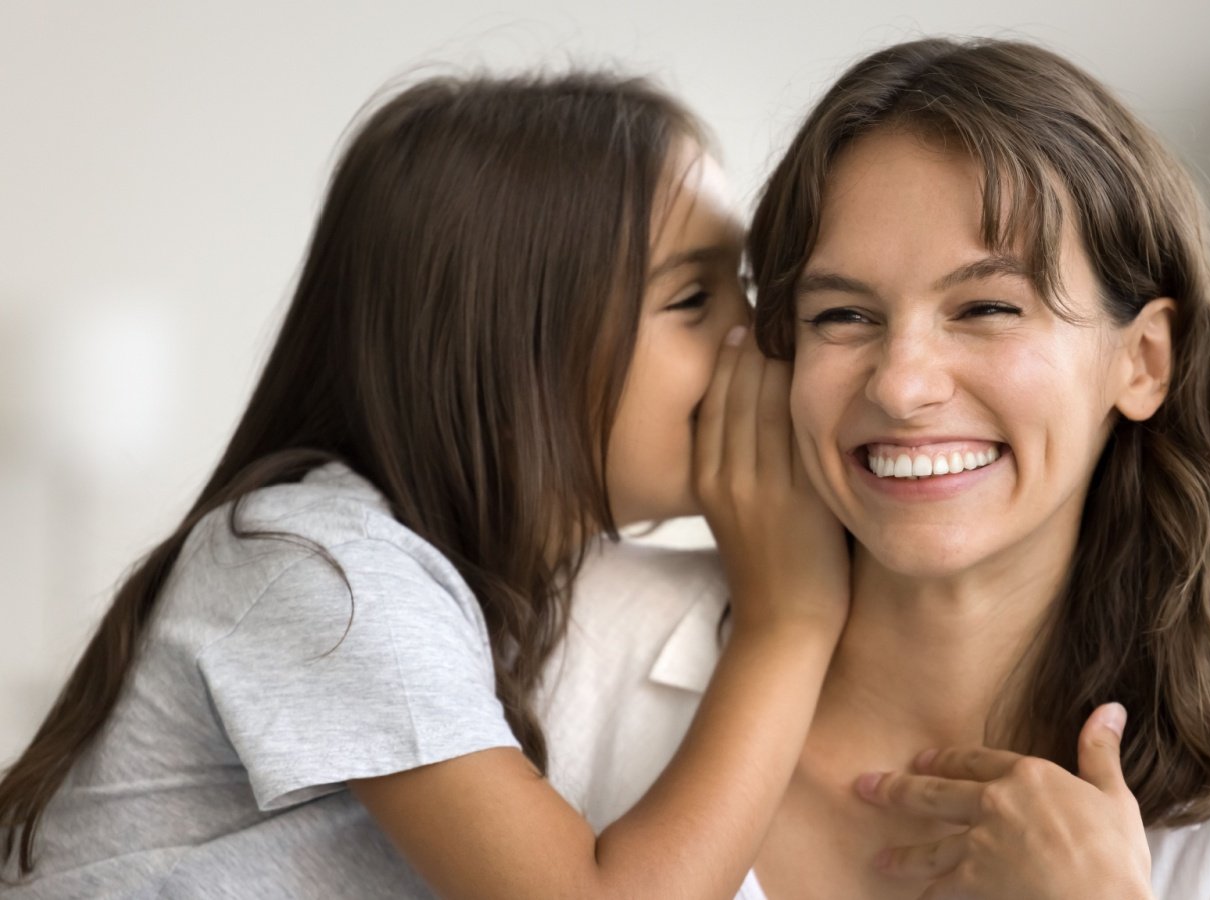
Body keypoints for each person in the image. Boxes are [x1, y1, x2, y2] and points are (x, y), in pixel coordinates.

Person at [541, 38, 1210, 899]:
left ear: (1145, 361)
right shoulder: (570, 665)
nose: (901, 386)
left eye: (985, 308)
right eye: (843, 315)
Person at [0, 72, 849, 898]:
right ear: (513, 351)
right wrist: (789, 620)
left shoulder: (492, 598)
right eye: (694, 298)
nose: (762, 338)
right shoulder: (318, 566)